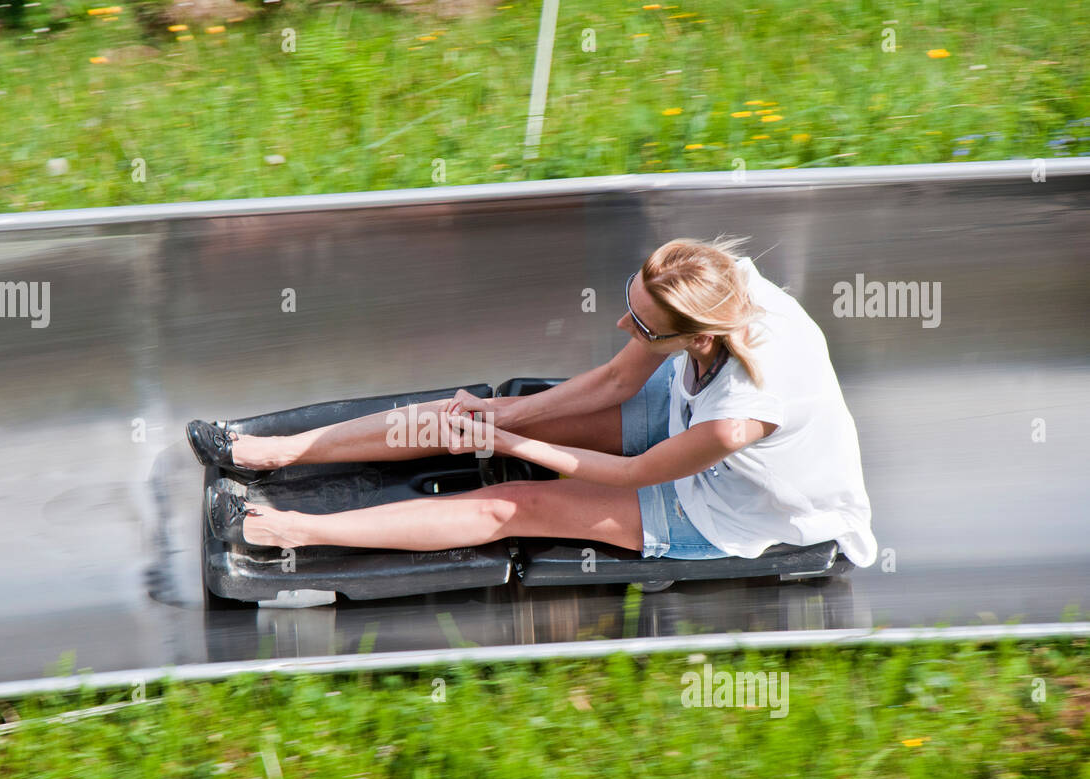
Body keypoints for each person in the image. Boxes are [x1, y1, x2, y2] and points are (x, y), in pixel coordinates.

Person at [185, 236, 876, 567]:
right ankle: (269, 452)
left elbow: (636, 475)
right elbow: (613, 381)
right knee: (472, 416)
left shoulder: (739, 414)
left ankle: (280, 530)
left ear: (692, 335)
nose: (622, 329)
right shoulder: (717, 284)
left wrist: (513, 446)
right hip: (686, 401)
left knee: (521, 505)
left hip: (725, 502)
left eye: (638, 327)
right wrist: (497, 419)